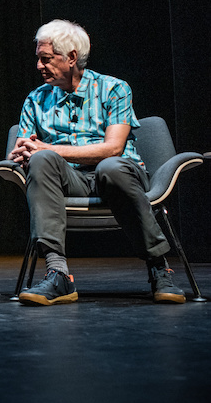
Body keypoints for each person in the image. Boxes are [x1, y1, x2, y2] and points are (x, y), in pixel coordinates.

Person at [9, 19, 185, 305]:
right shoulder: (35, 99)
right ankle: (58, 274)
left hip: (120, 176)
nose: (39, 66)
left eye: (46, 59)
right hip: (71, 180)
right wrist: (24, 153)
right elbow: (23, 150)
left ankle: (158, 267)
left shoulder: (113, 89)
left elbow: (113, 148)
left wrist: (47, 148)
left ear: (71, 57)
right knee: (41, 161)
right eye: (38, 59)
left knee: (109, 167)